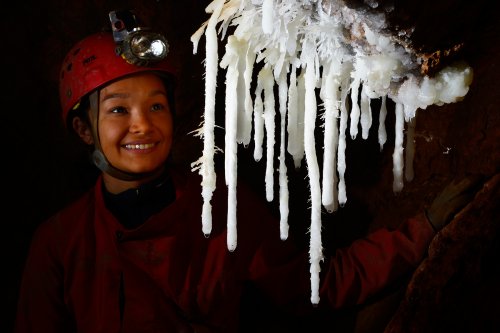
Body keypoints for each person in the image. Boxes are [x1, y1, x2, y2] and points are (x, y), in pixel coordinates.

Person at [14, 9, 482, 333]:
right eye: (118, 110)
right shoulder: (59, 245)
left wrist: (424, 230)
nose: (143, 124)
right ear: (83, 128)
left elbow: (316, 284)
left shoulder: (221, 210)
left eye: (155, 105)